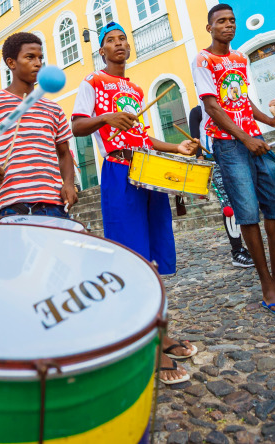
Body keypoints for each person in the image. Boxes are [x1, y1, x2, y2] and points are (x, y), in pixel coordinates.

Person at [71, 21, 199, 385]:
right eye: (110, 41)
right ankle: (148, 346)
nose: (118, 44)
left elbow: (143, 136)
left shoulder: (135, 88)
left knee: (154, 256)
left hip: (148, 170)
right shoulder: (92, 83)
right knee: (132, 258)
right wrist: (105, 118)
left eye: (122, 39)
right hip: (118, 171)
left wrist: (176, 147)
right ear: (102, 51)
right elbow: (77, 126)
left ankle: (160, 333)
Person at [193, 4, 275, 318]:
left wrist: (269, 119)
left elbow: (241, 99)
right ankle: (267, 283)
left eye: (231, 21)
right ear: (209, 27)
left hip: (255, 140)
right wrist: (244, 138)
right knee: (248, 212)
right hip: (229, 145)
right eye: (221, 22)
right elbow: (212, 107)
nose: (228, 26)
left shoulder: (239, 58)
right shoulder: (203, 59)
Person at [0, 33, 78, 218]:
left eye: (40, 58)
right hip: (13, 204)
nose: (38, 63)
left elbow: (64, 153)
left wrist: (68, 183)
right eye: (30, 57)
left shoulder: (54, 108)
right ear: (11, 63)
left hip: (54, 203)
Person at [189, 104, 253, 268]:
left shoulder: (229, 107)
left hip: (234, 154)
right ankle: (237, 251)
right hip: (213, 160)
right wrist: (200, 158)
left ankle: (249, 248)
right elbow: (195, 139)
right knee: (228, 206)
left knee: (242, 201)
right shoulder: (197, 112)